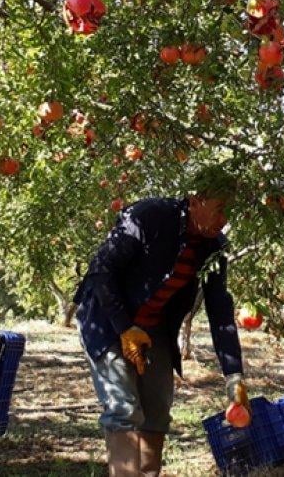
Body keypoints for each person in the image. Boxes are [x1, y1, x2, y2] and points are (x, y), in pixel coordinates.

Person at [73, 165, 249, 477]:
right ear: (195, 201)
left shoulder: (213, 248)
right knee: (123, 408)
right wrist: (124, 328)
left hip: (154, 328)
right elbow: (101, 269)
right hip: (106, 318)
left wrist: (233, 376)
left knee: (157, 410)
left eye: (229, 212)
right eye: (220, 209)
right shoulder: (149, 216)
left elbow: (220, 310)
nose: (224, 220)